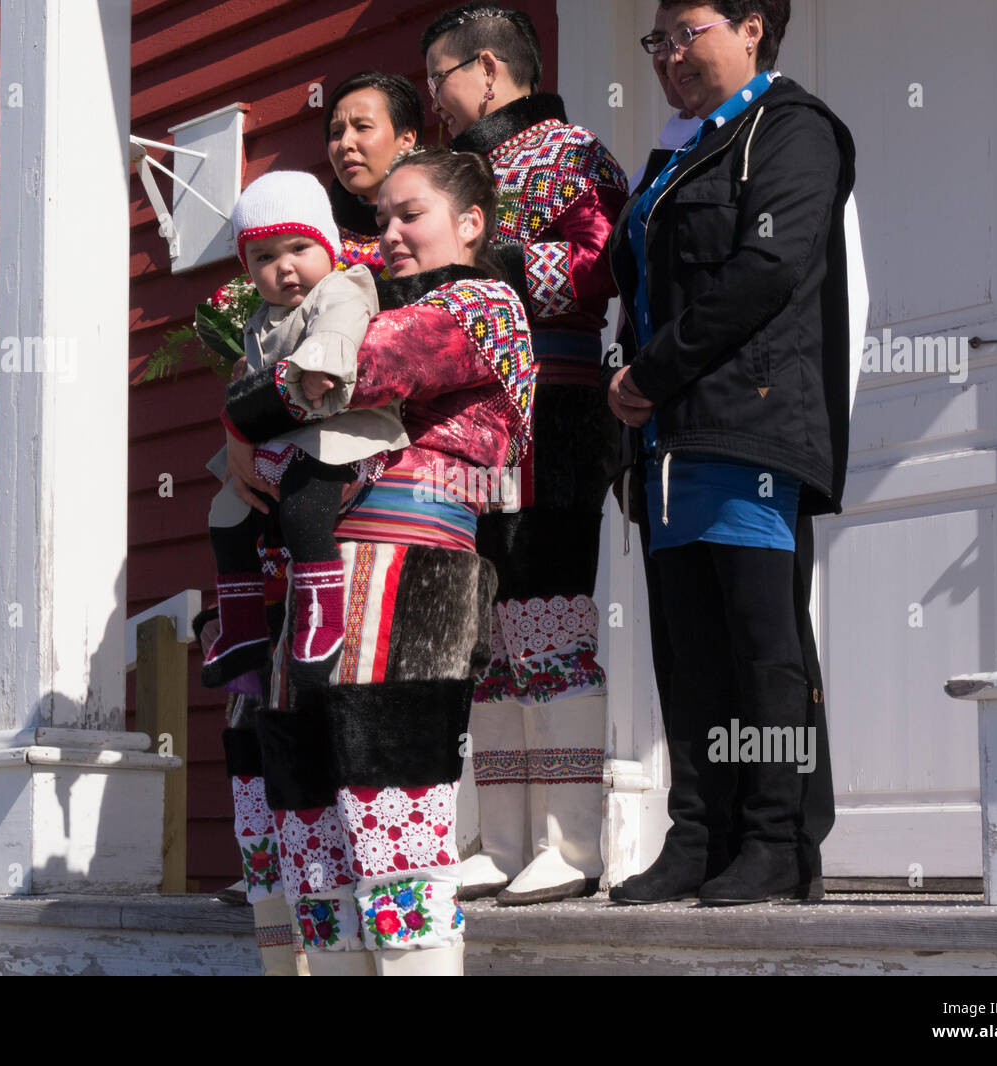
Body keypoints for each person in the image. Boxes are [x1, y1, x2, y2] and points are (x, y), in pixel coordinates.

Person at [222, 147, 534, 975]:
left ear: (471, 222)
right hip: (322, 579)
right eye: (379, 219)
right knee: (315, 817)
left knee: (388, 807)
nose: (387, 234)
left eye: (410, 215)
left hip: (407, 582)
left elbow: (339, 374)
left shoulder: (479, 304)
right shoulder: (351, 302)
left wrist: (237, 417)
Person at [604, 0, 856, 906]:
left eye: (689, 32)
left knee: (763, 646)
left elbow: (767, 270)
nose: (669, 53)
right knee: (688, 649)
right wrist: (632, 384)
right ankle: (699, 835)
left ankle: (777, 839)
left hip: (748, 426)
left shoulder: (791, 131)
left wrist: (652, 372)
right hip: (669, 442)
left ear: (753, 26)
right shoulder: (673, 152)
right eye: (657, 39)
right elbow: (639, 289)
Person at [421, 2, 629, 906]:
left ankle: (572, 842)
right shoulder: (462, 171)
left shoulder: (573, 152)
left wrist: (488, 264)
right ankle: (502, 840)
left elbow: (602, 263)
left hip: (558, 406)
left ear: (490, 70)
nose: (433, 97)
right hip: (479, 424)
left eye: (440, 77)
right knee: (493, 627)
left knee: (550, 607)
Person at [200, 170, 407, 693]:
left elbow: (338, 327)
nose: (284, 268)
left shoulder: (342, 285)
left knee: (303, 502)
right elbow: (250, 385)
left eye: (298, 248)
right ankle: (243, 628)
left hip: (346, 435)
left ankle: (322, 615)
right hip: (285, 437)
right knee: (227, 514)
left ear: (329, 246)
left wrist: (318, 363)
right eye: (264, 258)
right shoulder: (262, 320)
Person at [322, 72, 423, 275]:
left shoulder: (444, 221)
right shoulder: (317, 236)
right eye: (336, 132)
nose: (345, 144)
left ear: (406, 139)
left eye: (362, 127)